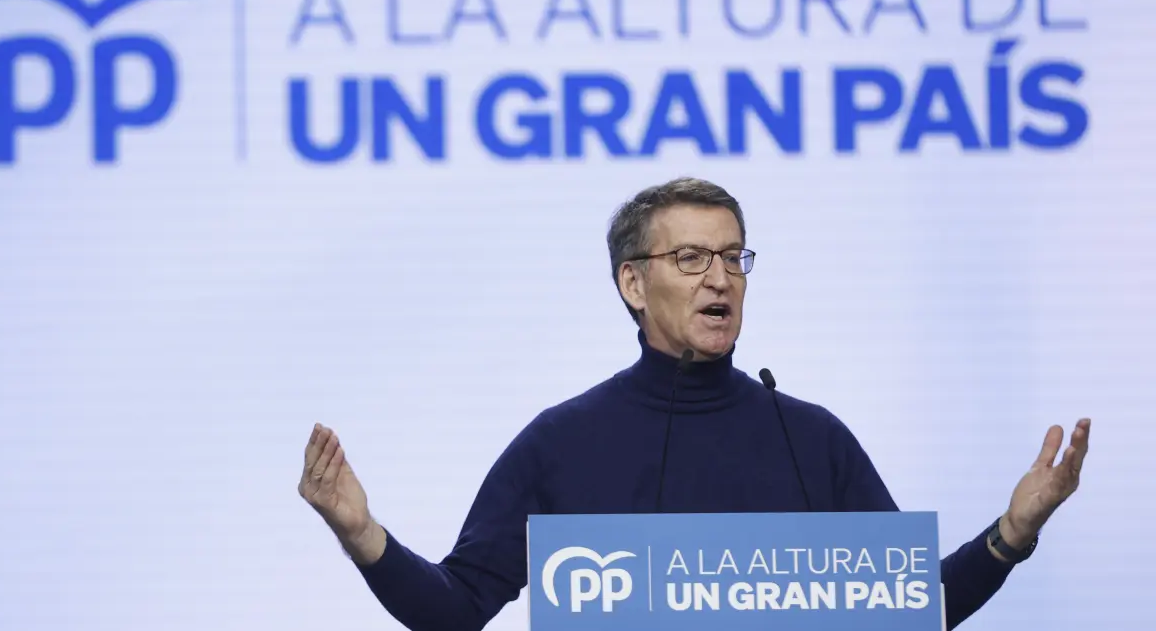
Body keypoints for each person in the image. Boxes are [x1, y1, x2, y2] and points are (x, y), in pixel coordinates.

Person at [298, 177, 1090, 631]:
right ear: (633, 283)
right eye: (690, 257)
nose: (721, 277)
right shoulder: (561, 444)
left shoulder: (812, 439)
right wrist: (360, 531)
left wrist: (1012, 533)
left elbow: (908, 608)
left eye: (734, 256)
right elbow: (458, 609)